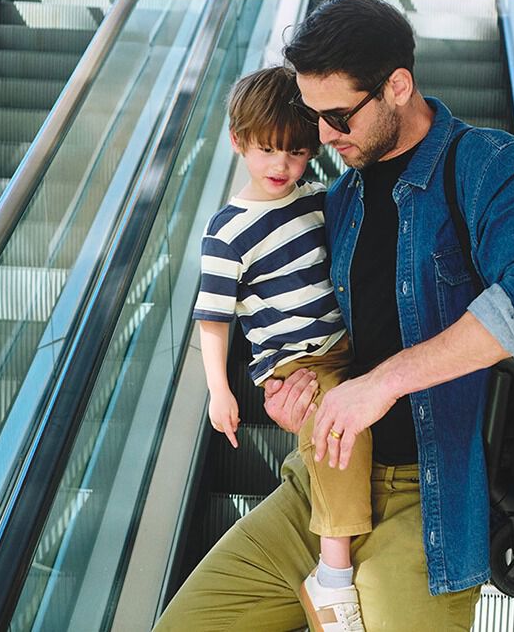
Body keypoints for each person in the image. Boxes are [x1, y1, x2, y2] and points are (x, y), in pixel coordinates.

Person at [154, 0, 514, 632]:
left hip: (432, 497)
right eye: (314, 117)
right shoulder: (340, 197)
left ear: (397, 87)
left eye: (337, 116)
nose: (322, 137)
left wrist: (384, 383)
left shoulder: (485, 165)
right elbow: (298, 319)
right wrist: (288, 395)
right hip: (325, 479)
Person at [192, 65, 372, 632]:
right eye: (268, 150)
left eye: (295, 152)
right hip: (298, 362)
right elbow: (213, 320)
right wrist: (220, 390)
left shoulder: (317, 199)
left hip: (346, 342)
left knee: (352, 423)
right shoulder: (226, 233)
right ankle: (333, 571)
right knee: (339, 429)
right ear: (238, 141)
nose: (282, 165)